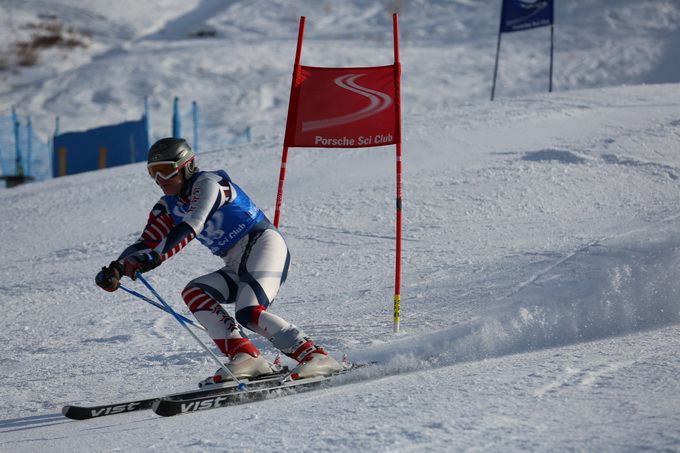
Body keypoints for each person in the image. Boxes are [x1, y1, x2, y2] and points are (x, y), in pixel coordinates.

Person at [95, 137, 343, 383]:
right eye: (153, 173)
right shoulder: (168, 205)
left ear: (187, 165)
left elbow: (194, 223)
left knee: (248, 312)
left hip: (263, 244)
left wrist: (157, 256)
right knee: (195, 292)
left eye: (167, 171)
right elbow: (147, 241)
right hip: (236, 261)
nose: (160, 180)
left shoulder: (209, 183)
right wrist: (117, 268)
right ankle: (246, 356)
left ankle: (316, 356)